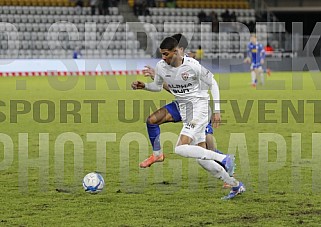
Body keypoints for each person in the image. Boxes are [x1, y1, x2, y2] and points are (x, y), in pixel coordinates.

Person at [132, 37, 245, 199]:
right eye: (161, 54)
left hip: (199, 108)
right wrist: (144, 86)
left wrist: (218, 110)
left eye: (166, 54)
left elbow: (212, 83)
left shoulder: (192, 65)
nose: (163, 57)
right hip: (185, 110)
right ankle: (235, 185)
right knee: (202, 158)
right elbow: (157, 87)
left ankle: (224, 158)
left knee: (180, 148)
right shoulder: (161, 67)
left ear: (176, 52)